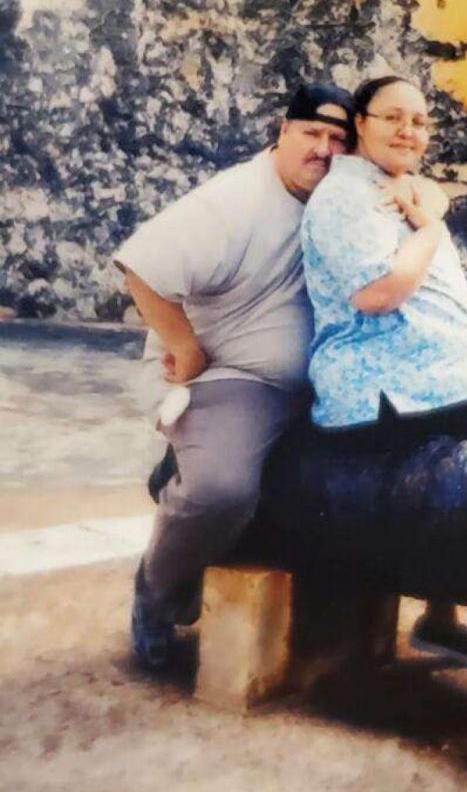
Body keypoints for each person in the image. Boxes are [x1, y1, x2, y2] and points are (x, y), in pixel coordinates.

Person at [300, 75, 467, 668]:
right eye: (393, 118)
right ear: (360, 123)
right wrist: (434, 228)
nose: (409, 131)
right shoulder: (345, 197)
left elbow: (425, 192)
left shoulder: (389, 184)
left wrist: (430, 202)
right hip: (378, 386)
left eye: (419, 122)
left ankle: (444, 617)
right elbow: (376, 292)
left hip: (423, 374)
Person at [115, 81, 353, 671]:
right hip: (236, 377)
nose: (323, 149)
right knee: (221, 492)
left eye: (338, 140)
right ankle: (156, 596)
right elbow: (141, 265)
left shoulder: (341, 196)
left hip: (321, 380)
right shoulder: (236, 200)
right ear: (283, 130)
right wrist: (184, 346)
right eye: (312, 133)